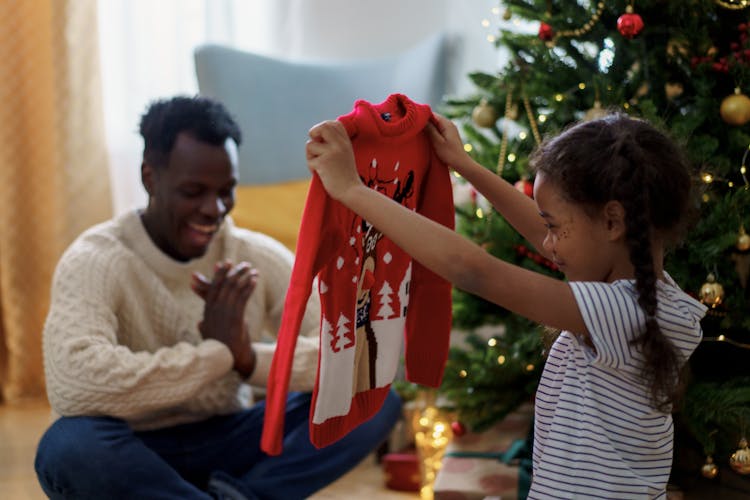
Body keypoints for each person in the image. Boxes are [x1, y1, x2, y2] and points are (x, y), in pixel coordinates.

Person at [306, 112, 707, 499]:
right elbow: (548, 232)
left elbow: (473, 270)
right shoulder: (645, 292)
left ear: (612, 222)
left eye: (554, 227)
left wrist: (352, 191)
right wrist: (464, 165)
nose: (547, 243)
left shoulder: (622, 311)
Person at [34, 95, 402, 500]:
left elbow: (353, 358)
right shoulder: (96, 259)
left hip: (229, 440)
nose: (215, 209)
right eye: (194, 191)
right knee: (68, 447)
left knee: (373, 397)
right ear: (150, 178)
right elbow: (75, 382)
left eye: (226, 190)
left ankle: (238, 495)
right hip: (132, 447)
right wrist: (218, 355)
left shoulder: (253, 255)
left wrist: (247, 356)